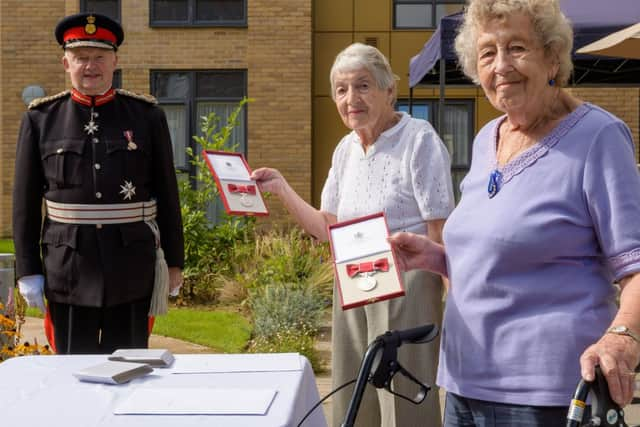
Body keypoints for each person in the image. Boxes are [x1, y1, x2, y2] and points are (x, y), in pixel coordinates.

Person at [388, 1, 640, 425]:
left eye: (517, 48)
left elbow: (635, 265)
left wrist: (622, 338)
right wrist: (435, 257)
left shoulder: (598, 137)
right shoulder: (488, 138)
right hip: (463, 384)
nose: (501, 65)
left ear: (553, 57)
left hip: (547, 396)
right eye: (487, 53)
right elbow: (505, 251)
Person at [252, 42, 455, 427]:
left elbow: (439, 231)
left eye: (363, 86)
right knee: (352, 391)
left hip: (407, 284)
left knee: (402, 396)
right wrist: (280, 187)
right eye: (342, 90)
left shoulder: (418, 139)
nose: (351, 99)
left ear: (388, 91)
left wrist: (452, 298)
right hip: (354, 280)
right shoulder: (345, 149)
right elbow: (329, 228)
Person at [12, 13, 184, 354]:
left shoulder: (147, 117)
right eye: (81, 58)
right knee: (71, 376)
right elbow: (24, 204)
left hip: (131, 268)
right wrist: (28, 269)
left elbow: (167, 191)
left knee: (130, 372)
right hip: (69, 270)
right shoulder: (41, 119)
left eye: (99, 58)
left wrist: (174, 262)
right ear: (66, 63)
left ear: (115, 61)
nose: (91, 66)